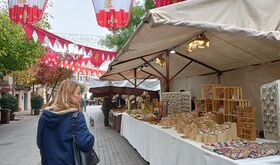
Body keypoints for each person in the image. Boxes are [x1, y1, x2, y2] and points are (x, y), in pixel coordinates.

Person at [37, 80, 94, 165]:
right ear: (69, 95)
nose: (81, 97)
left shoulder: (44, 116)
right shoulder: (76, 116)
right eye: (78, 93)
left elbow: (39, 143)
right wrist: (91, 137)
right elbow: (84, 143)